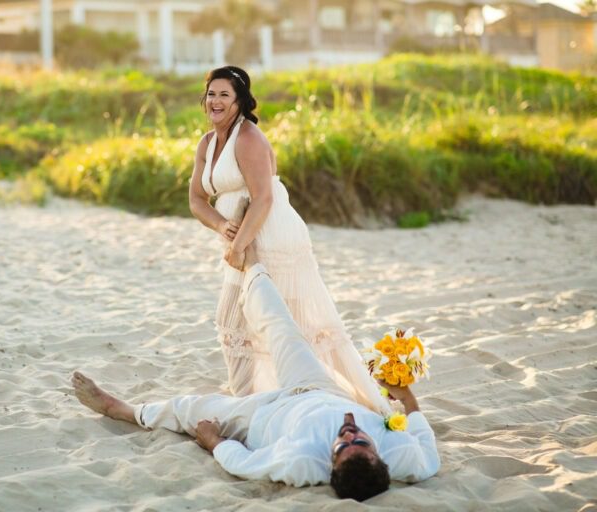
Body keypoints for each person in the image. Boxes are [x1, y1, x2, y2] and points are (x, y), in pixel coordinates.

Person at [71, 245, 440, 501]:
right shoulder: (407, 458)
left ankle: (122, 410)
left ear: (330, 462)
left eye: (344, 444)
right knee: (283, 328)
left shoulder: (300, 463)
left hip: (264, 414)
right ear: (379, 457)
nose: (351, 432)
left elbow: (246, 464)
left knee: (195, 408)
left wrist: (213, 442)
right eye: (362, 441)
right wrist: (406, 397)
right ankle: (251, 266)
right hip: (316, 387)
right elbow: (424, 439)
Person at [188, 65, 388, 413]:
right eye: (211, 94)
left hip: (271, 233)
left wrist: (238, 247)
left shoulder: (248, 137)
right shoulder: (206, 143)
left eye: (224, 95)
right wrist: (222, 227)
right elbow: (195, 200)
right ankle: (252, 400)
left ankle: (308, 398)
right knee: (238, 320)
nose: (216, 101)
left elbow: (263, 198)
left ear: (240, 102)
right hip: (240, 236)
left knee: (284, 319)